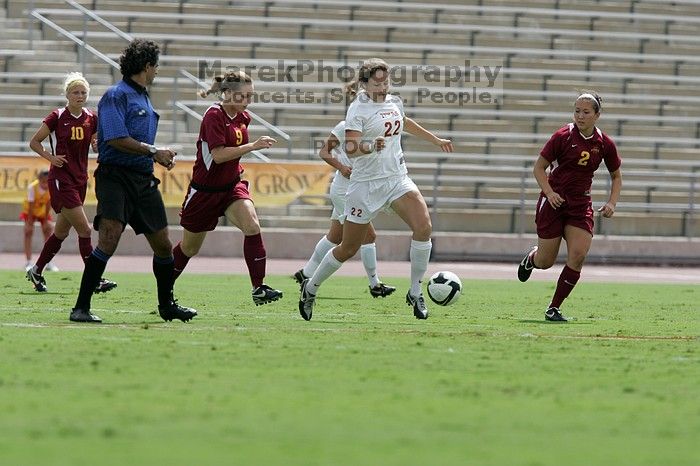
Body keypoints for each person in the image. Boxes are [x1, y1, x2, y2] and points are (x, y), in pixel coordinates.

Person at [298, 58, 453, 321]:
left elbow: (404, 122)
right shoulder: (358, 109)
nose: (383, 86)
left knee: (424, 227)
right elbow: (350, 148)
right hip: (365, 184)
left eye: (386, 81)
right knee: (347, 247)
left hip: (396, 178)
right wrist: (371, 146)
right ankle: (310, 288)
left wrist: (435, 139)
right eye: (377, 82)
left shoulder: (394, 101)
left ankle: (415, 292)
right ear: (365, 83)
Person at [69, 39, 197, 323]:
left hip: (142, 179)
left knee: (164, 244)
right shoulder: (117, 95)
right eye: (156, 67)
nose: (157, 72)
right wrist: (154, 151)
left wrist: (157, 156)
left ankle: (167, 306)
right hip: (115, 176)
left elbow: (137, 141)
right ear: (147, 66)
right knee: (109, 238)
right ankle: (81, 307)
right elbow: (114, 138)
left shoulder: (144, 96)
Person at [171, 71, 283, 306]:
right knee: (190, 248)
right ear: (228, 93)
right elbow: (219, 155)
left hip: (231, 187)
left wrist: (239, 167)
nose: (248, 101)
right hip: (204, 191)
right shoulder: (213, 115)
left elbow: (232, 155)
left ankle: (258, 287)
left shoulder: (244, 117)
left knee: (252, 225)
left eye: (251, 96)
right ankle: (165, 287)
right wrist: (252, 146)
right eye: (244, 96)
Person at [517, 92, 622, 322]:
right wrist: (550, 192)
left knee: (578, 255)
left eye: (586, 112)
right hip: (554, 202)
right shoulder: (563, 136)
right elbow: (539, 168)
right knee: (546, 262)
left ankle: (553, 308)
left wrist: (612, 202)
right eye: (577, 111)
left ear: (597, 115)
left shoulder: (604, 143)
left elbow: (616, 176)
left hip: (580, 204)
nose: (580, 116)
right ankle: (532, 258)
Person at [26, 71, 117, 294]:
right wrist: (51, 157)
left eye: (83, 92)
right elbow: (34, 142)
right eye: (75, 92)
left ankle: (36, 270)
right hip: (61, 180)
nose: (80, 95)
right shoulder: (57, 116)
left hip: (80, 179)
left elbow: (95, 142)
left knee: (61, 233)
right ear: (67, 94)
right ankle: (94, 278)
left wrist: (97, 146)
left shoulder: (91, 117)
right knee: (85, 230)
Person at [293, 119, 396, 299]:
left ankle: (306, 273)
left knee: (335, 236)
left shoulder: (377, 128)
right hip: (344, 191)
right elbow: (324, 151)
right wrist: (341, 167)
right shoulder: (344, 127)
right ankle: (375, 284)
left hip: (360, 189)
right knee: (369, 235)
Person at [19, 170, 55, 271]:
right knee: (28, 232)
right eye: (43, 182)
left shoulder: (51, 187)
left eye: (47, 182)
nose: (45, 184)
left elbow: (49, 205)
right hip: (29, 212)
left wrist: (46, 221)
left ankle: (48, 262)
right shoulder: (32, 187)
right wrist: (29, 223)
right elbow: (30, 206)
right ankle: (28, 262)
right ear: (39, 180)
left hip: (43, 212)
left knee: (48, 231)